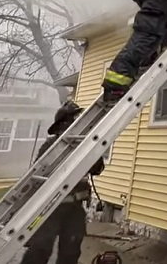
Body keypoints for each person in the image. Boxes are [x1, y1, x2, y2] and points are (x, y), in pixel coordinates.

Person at [20, 100, 104, 264]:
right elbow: (38, 173)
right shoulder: (51, 145)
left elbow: (97, 169)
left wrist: (93, 148)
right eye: (74, 119)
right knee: (40, 249)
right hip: (49, 209)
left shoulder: (85, 145)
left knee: (71, 252)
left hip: (75, 209)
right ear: (63, 124)